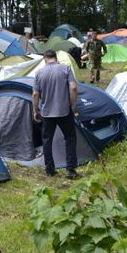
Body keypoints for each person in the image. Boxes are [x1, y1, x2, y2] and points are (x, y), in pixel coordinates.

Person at [32, 50, 80, 179]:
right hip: (64, 111)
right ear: (56, 58)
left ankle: (50, 170)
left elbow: (35, 94)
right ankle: (70, 170)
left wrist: (35, 110)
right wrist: (72, 105)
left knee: (47, 140)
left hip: (47, 113)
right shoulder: (66, 69)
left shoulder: (39, 73)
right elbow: (74, 87)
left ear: (45, 59)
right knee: (70, 138)